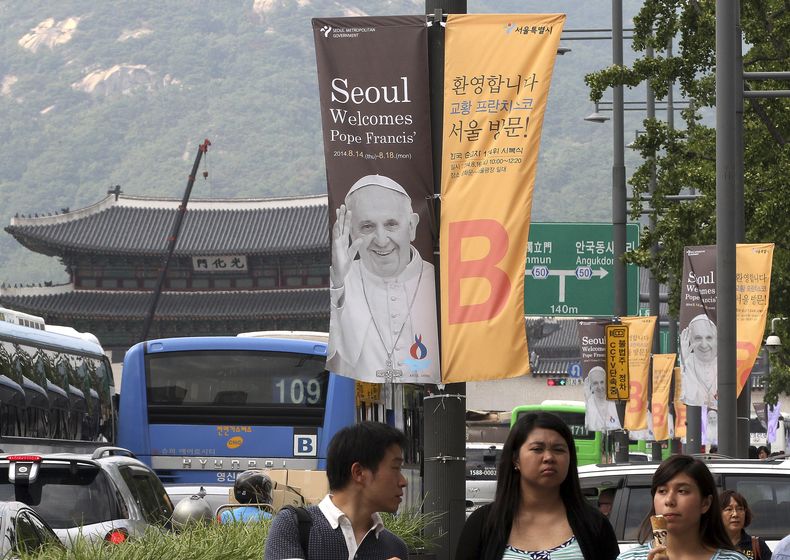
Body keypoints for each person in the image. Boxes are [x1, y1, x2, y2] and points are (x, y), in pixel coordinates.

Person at [456, 412, 619, 560]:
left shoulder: (595, 524)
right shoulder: (482, 523)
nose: (549, 457)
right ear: (515, 459)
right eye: (537, 449)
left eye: (559, 449)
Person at [327, 174, 439, 384]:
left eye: (391, 225)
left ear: (412, 226)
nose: (381, 240)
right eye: (367, 227)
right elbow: (337, 357)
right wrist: (339, 282)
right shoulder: (342, 282)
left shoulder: (437, 281)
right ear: (351, 232)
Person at [264, 421, 409, 560]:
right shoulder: (293, 525)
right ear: (358, 473)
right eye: (395, 468)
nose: (404, 481)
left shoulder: (395, 547)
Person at [616, 455, 745, 560]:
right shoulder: (628, 558)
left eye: (682, 491)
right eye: (662, 491)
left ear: (705, 503)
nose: (669, 501)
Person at [719, 490, 772, 560]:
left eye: (740, 509)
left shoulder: (757, 545)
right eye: (729, 509)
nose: (735, 514)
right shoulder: (709, 545)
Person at [680, 314, 718, 408]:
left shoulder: (724, 363)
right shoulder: (688, 361)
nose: (704, 345)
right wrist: (684, 363)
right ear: (691, 339)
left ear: (716, 339)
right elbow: (689, 397)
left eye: (709, 338)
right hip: (696, 417)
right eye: (698, 338)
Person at [584, 366, 622, 432]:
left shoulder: (613, 401)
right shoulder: (589, 402)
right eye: (595, 383)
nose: (600, 387)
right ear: (591, 385)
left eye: (602, 382)